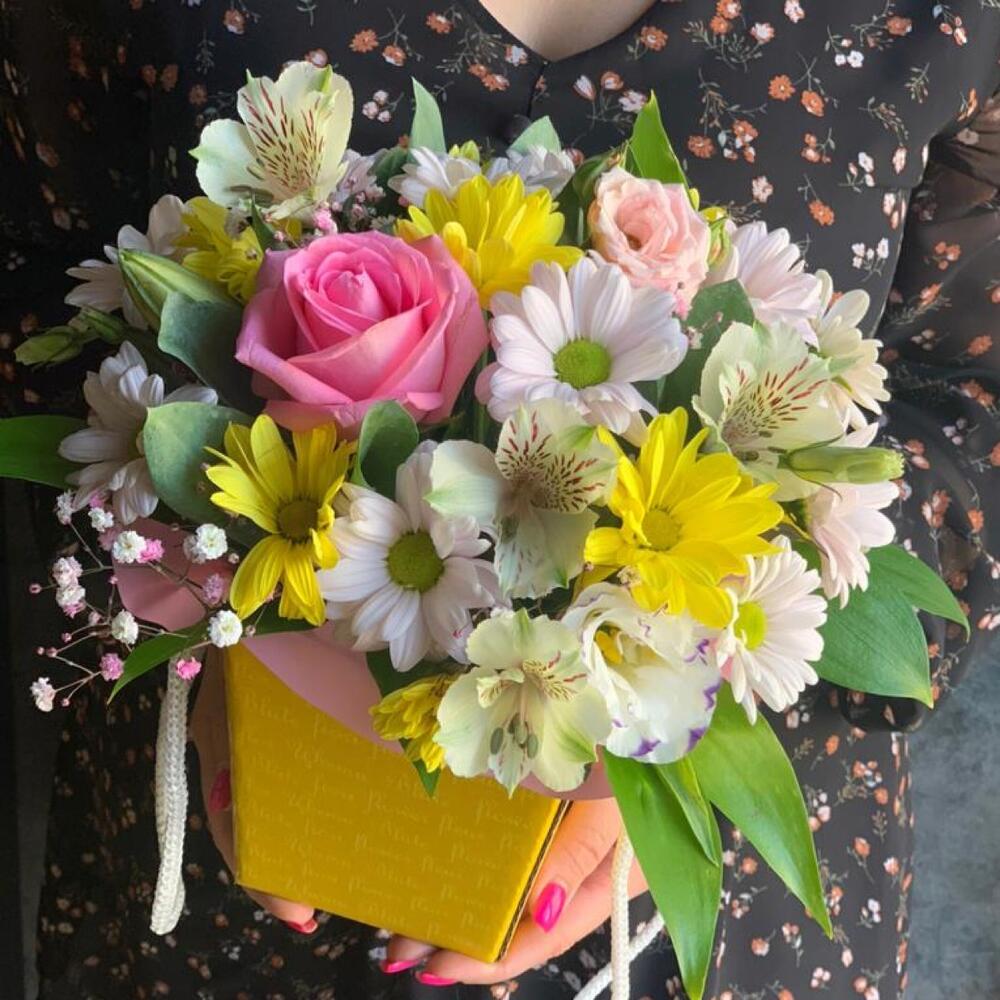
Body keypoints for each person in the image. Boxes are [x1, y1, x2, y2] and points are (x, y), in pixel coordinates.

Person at [3, 1, 998, 997]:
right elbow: (40, 280)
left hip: (710, 902)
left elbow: (969, 395)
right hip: (230, 880)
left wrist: (691, 698)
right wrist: (193, 607)